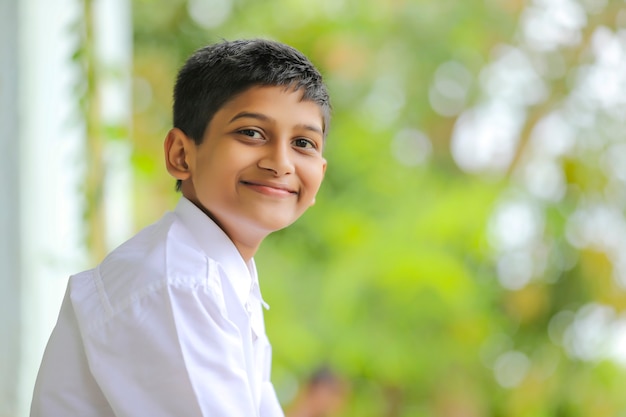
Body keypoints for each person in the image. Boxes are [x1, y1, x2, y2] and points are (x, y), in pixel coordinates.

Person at [30, 38, 331, 417]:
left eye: (303, 142)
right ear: (181, 154)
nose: (280, 162)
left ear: (319, 175)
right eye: (251, 133)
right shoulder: (179, 283)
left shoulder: (223, 279)